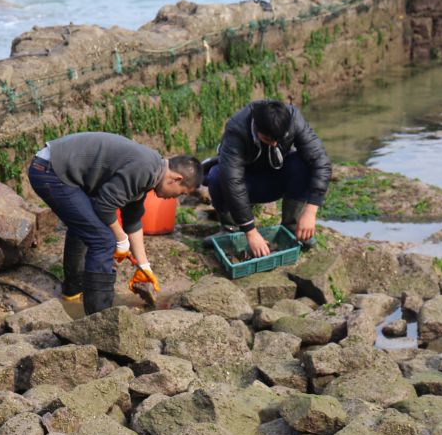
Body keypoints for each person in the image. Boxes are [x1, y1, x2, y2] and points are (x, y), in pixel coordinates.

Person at [28, 132, 203, 314]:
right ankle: (100, 316)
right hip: (51, 172)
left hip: (55, 167)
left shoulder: (152, 169)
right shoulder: (145, 168)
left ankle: (73, 291)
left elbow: (132, 220)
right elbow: (104, 206)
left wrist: (143, 266)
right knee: (103, 241)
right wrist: (120, 239)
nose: (175, 198)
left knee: (86, 226)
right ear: (176, 179)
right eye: (181, 193)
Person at [204, 99, 332, 257]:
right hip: (247, 183)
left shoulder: (293, 118)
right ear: (256, 127)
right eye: (268, 139)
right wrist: (250, 232)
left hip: (276, 177)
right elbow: (233, 181)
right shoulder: (237, 129)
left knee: (303, 164)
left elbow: (321, 162)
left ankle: (291, 226)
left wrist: (311, 211)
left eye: (279, 139)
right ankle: (230, 229)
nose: (274, 144)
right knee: (217, 175)